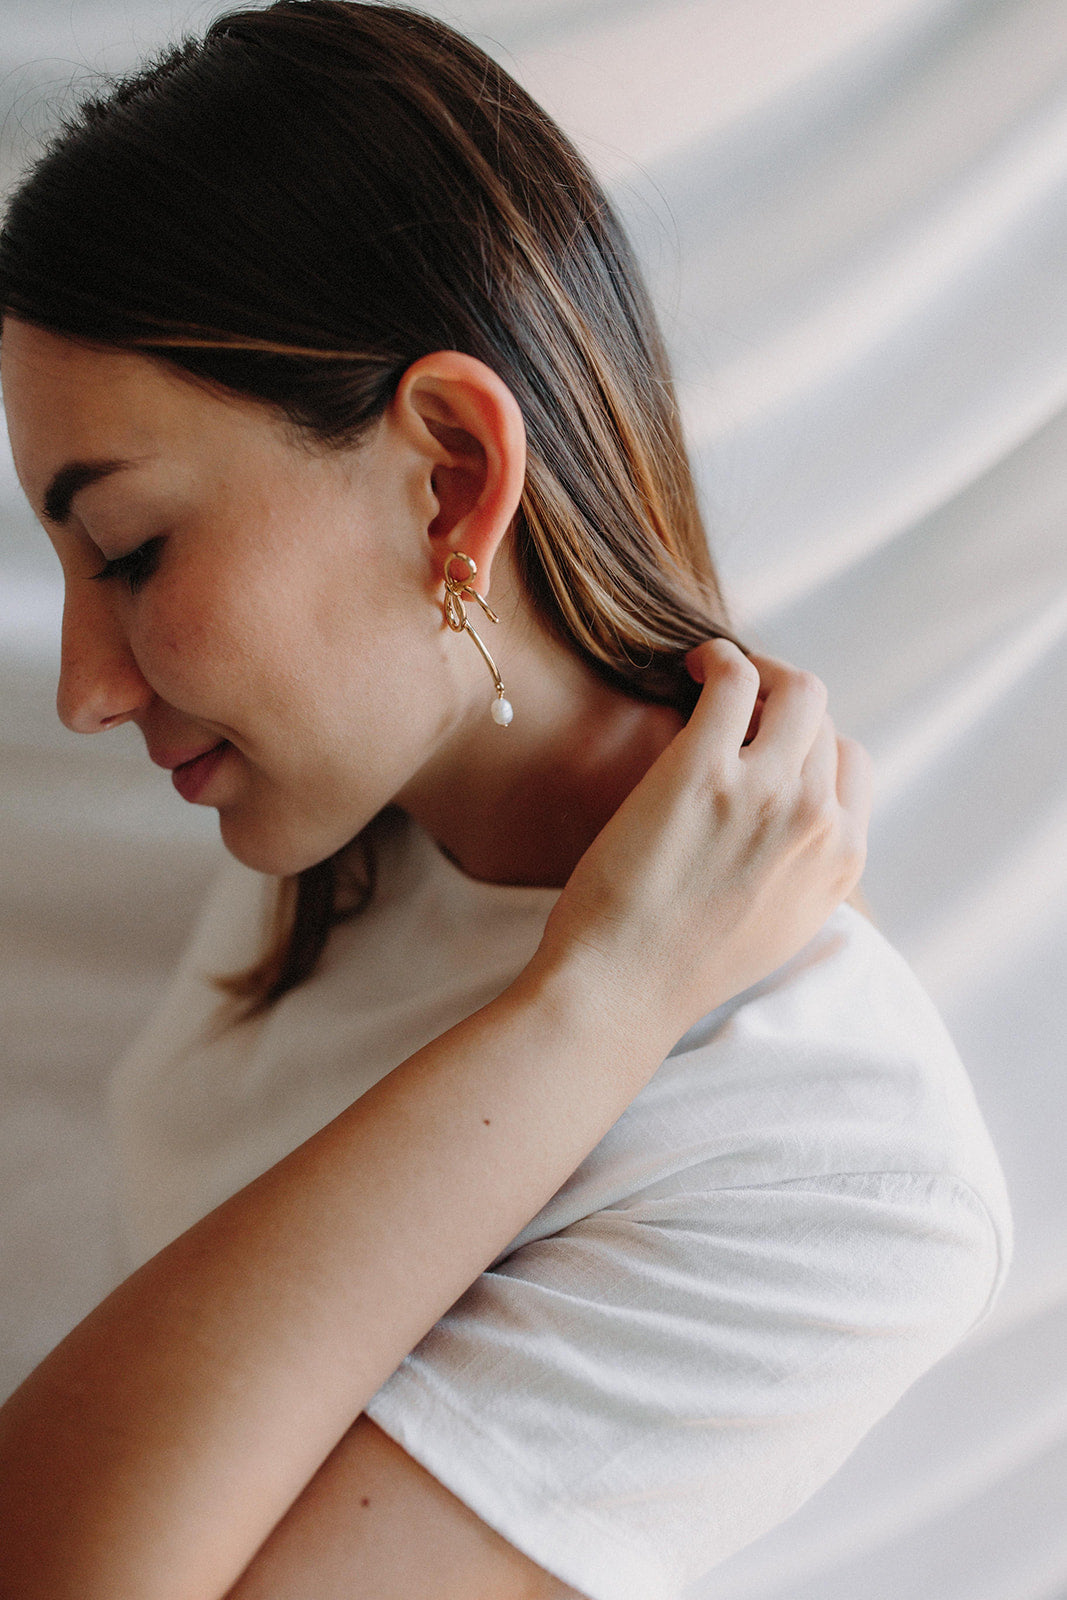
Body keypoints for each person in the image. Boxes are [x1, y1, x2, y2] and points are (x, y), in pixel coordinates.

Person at [0, 4, 1012, 1598]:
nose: (84, 688)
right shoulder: (343, 793)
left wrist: (595, 1006)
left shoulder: (837, 1179)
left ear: (452, 477)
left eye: (128, 554)